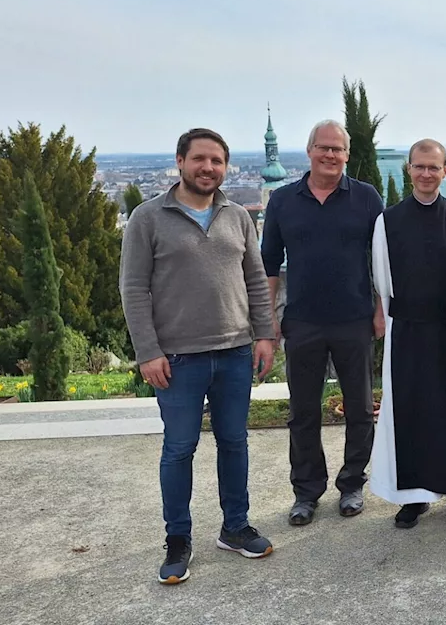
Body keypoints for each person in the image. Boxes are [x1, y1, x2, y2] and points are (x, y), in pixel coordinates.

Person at [120, 127, 277, 585]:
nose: (208, 168)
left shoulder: (237, 216)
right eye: (200, 159)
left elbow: (256, 279)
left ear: (225, 167)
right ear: (180, 162)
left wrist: (264, 335)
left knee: (234, 442)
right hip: (178, 358)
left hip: (234, 351)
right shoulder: (147, 218)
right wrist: (147, 351)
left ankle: (235, 526)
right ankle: (178, 539)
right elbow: (133, 289)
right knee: (179, 449)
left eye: (217, 161)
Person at [261, 119, 385, 526]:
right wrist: (268, 320)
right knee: (302, 411)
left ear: (347, 155)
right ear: (309, 150)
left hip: (354, 318)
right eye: (324, 147)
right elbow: (268, 267)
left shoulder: (366, 198)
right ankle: (306, 492)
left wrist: (381, 308)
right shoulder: (282, 201)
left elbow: (383, 260)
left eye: (338, 149)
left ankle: (352, 484)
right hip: (302, 320)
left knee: (361, 409)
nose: (330, 155)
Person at [369, 139, 446, 528]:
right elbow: (383, 280)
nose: (426, 174)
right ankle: (413, 496)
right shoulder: (387, 221)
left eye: (433, 167)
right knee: (410, 413)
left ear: (445, 171)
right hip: (406, 333)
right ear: (409, 169)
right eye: (419, 166)